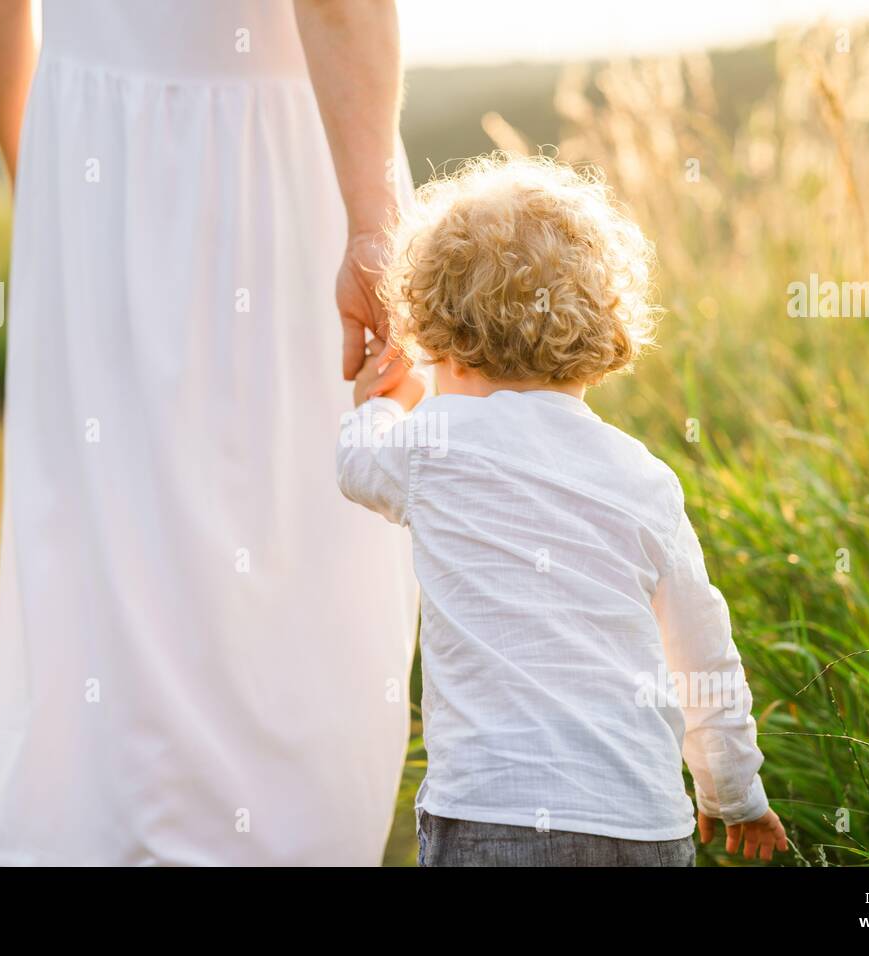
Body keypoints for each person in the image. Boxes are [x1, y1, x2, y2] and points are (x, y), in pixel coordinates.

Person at [0, 0, 418, 865]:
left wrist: (48, 188)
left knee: (108, 531)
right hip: (279, 155)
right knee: (297, 529)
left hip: (89, 154)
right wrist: (372, 222)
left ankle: (109, 836)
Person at [337, 155, 789, 866]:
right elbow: (703, 659)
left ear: (436, 334)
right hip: (642, 821)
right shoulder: (645, 479)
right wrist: (735, 794)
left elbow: (357, 465)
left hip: (491, 815)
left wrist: (379, 404)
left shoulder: (434, 445)